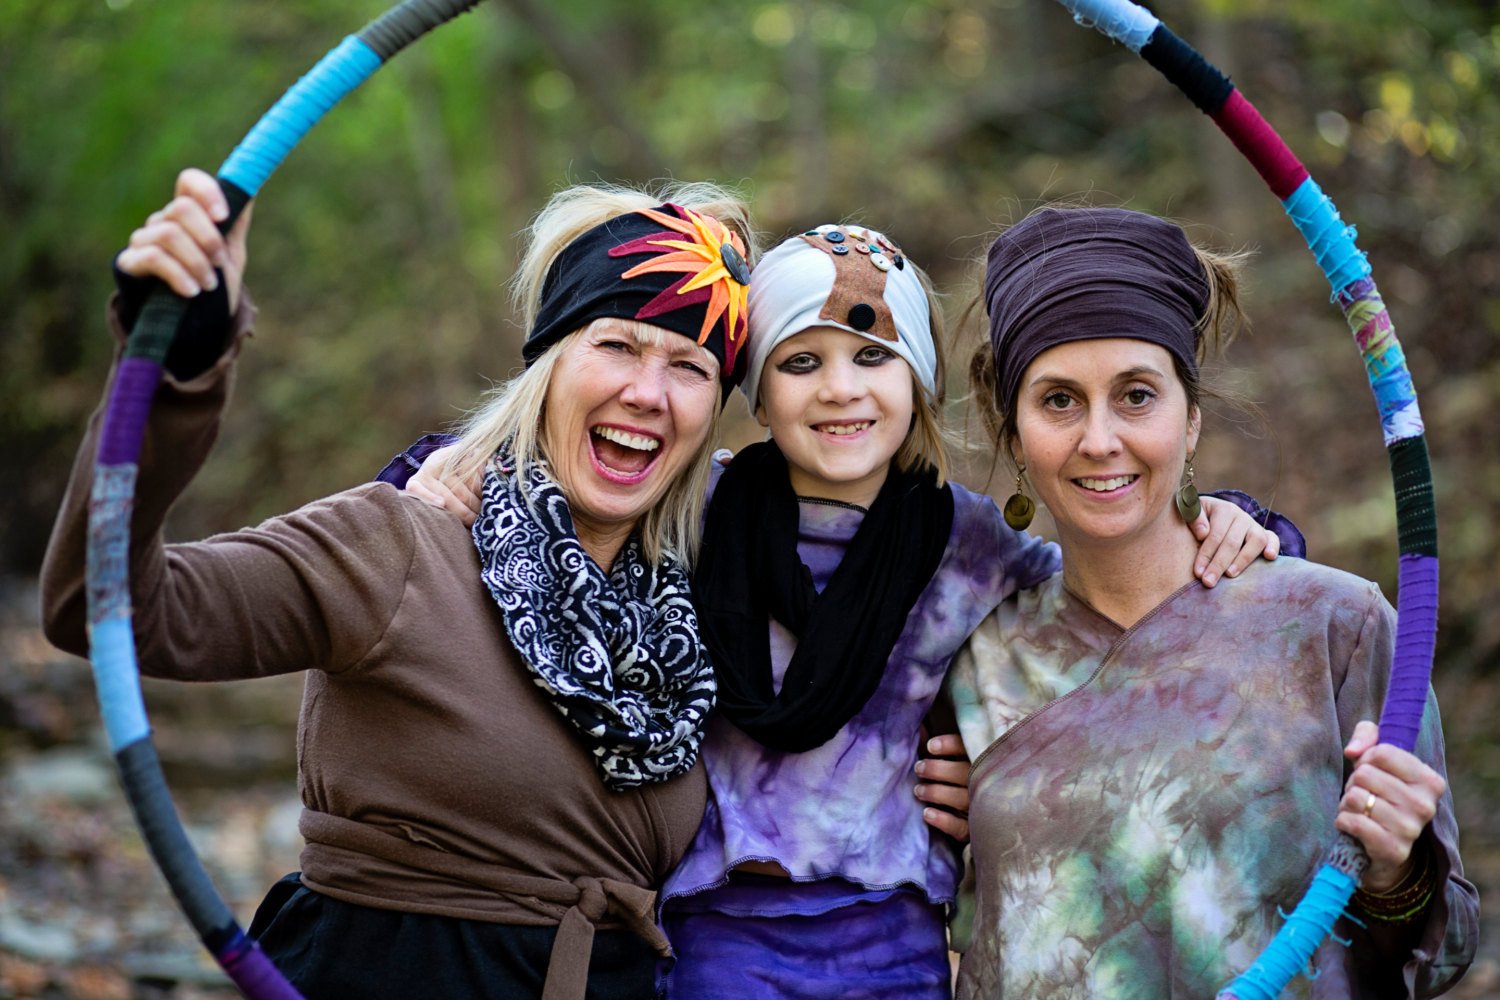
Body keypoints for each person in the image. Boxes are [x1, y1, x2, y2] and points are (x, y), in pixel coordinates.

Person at [400, 221, 1287, 998]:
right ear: (757, 389)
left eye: (873, 357)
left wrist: (1247, 521)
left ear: (918, 382)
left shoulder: (968, 543)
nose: (840, 389)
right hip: (716, 916)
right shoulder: (693, 511)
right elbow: (559, 485)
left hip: (891, 922)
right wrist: (438, 468)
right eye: (800, 362)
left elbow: (1116, 582)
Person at [40, 168, 761, 999]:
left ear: (714, 409)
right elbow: (108, 609)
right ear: (550, 367)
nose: (647, 393)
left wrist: (941, 760)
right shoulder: (397, 544)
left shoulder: (703, 597)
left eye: (689, 367)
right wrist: (176, 369)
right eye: (616, 345)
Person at [948, 205, 1478, 998]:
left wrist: (1399, 869)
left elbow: (1448, 949)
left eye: (1136, 395)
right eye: (1058, 400)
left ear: (1190, 420)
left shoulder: (1337, 627)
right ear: (1013, 430)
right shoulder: (966, 664)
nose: (1099, 439)